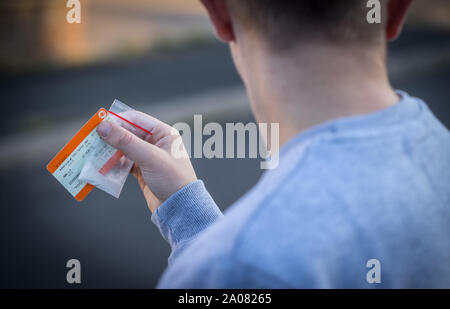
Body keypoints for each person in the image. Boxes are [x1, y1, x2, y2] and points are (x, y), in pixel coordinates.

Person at [96, 0, 450, 288]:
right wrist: (187, 213)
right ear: (398, 10)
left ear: (219, 14)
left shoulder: (236, 267)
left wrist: (216, 261)